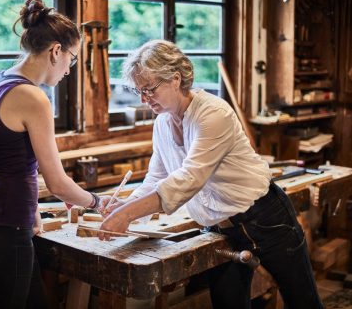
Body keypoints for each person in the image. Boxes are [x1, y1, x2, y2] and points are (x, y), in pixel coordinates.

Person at [98, 39, 323, 309]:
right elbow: (156, 179)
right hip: (218, 228)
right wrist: (127, 205)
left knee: (303, 301)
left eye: (149, 89)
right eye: (139, 91)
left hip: (264, 218)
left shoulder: (212, 113)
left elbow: (189, 180)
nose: (144, 99)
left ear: (175, 78)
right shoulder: (162, 123)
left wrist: (127, 214)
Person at [0, 0, 103, 309]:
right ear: (56, 51)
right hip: (1, 231)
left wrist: (32, 211)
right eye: (72, 58)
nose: (70, 69)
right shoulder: (33, 97)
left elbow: (6, 161)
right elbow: (56, 182)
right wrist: (98, 203)